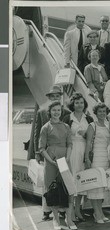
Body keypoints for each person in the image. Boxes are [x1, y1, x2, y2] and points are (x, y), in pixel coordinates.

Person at [34, 85, 70, 221]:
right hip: (47, 152)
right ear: (49, 97)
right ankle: (46, 210)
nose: (55, 98)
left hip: (61, 152)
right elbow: (37, 132)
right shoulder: (42, 111)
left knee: (61, 179)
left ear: (60, 98)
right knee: (47, 181)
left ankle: (61, 209)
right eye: (53, 96)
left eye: (57, 96)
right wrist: (37, 152)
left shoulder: (65, 112)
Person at [39, 101, 76, 230]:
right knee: (52, 189)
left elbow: (70, 144)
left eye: (58, 110)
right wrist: (50, 161)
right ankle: (56, 219)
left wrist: (68, 157)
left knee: (69, 187)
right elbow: (41, 148)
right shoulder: (45, 127)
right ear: (50, 112)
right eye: (54, 110)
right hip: (51, 161)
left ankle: (69, 218)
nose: (56, 112)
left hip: (64, 160)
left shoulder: (66, 126)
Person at [62, 93, 93, 222]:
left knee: (82, 179)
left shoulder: (89, 118)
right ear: (73, 105)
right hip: (72, 150)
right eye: (77, 103)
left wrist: (86, 134)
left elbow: (93, 136)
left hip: (84, 150)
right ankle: (70, 211)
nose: (79, 105)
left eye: (81, 102)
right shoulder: (67, 117)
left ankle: (78, 210)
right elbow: (62, 135)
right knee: (72, 179)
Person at [84, 103, 110, 223]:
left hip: (105, 157)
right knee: (95, 186)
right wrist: (87, 159)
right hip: (95, 157)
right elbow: (88, 143)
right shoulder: (92, 125)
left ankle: (99, 211)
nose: (102, 114)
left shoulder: (108, 125)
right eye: (100, 111)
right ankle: (97, 213)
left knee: (102, 186)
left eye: (104, 111)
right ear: (96, 113)